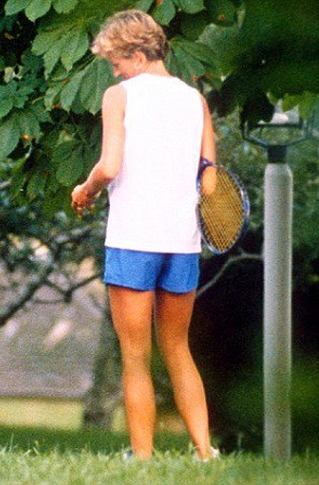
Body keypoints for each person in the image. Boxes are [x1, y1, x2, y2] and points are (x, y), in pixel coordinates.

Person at [71, 10, 218, 461]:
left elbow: (109, 166)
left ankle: (143, 459)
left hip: (134, 239)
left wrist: (86, 189)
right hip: (182, 243)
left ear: (136, 54)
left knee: (135, 356)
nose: (114, 72)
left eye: (116, 62)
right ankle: (205, 453)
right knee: (178, 349)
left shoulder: (119, 96)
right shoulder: (194, 100)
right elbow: (211, 182)